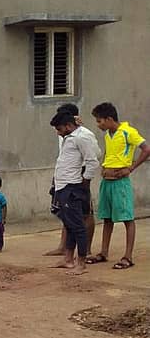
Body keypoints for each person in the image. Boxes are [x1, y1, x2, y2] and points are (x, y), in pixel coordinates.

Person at [88, 102, 149, 270]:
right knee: (107, 217)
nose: (98, 125)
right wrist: (104, 166)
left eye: (100, 121)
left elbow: (146, 149)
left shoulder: (128, 132)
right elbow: (110, 152)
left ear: (109, 119)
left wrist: (130, 168)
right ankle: (104, 252)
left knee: (127, 217)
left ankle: (128, 256)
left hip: (120, 181)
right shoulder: (109, 134)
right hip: (107, 180)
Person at [44, 104, 99, 257]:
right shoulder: (64, 134)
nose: (57, 131)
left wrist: (85, 178)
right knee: (66, 213)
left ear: (71, 120)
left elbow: (94, 157)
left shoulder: (84, 135)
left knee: (84, 213)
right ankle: (65, 248)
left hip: (78, 176)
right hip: (63, 176)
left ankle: (85, 251)